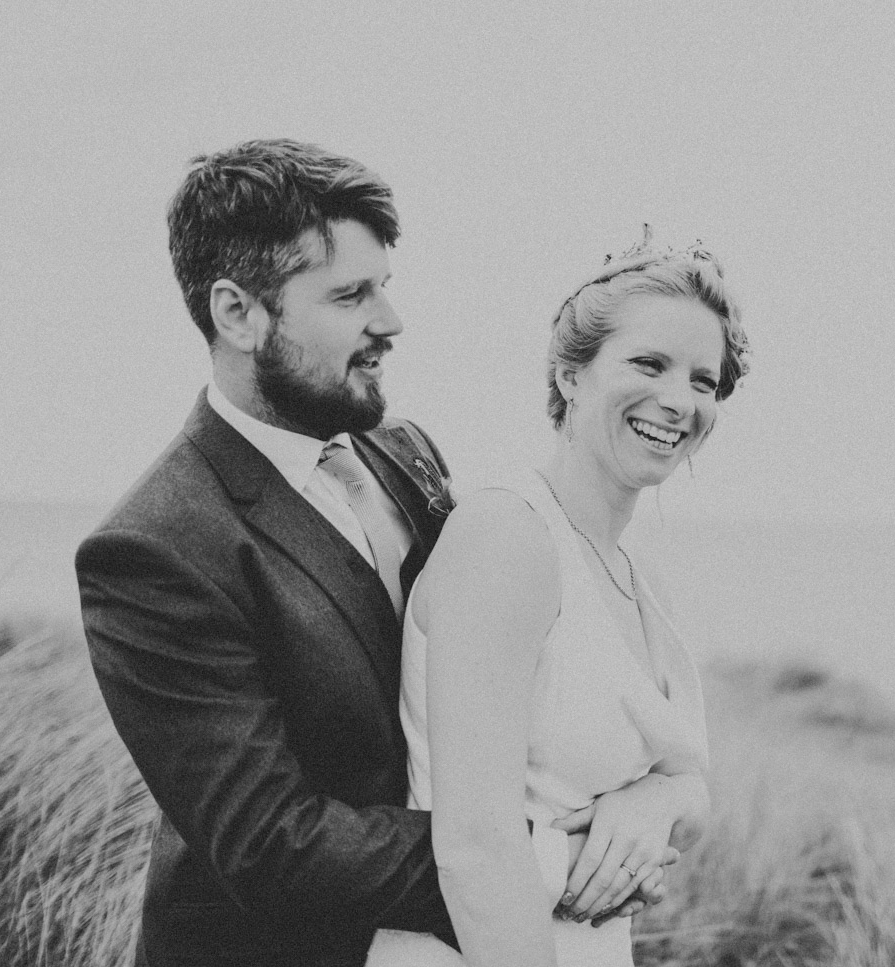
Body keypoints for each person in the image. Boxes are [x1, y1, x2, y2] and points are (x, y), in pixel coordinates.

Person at [74, 140, 661, 967]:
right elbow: (271, 841)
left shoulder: (404, 452)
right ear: (238, 313)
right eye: (351, 295)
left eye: (384, 286)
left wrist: (641, 799)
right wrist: (531, 857)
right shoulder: (151, 549)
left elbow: (498, 679)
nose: (390, 321)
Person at [366, 230, 749, 967]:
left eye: (705, 380)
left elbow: (687, 777)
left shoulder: (639, 578)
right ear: (570, 374)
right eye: (648, 363)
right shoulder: (507, 537)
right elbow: (476, 851)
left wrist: (658, 801)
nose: (679, 401)